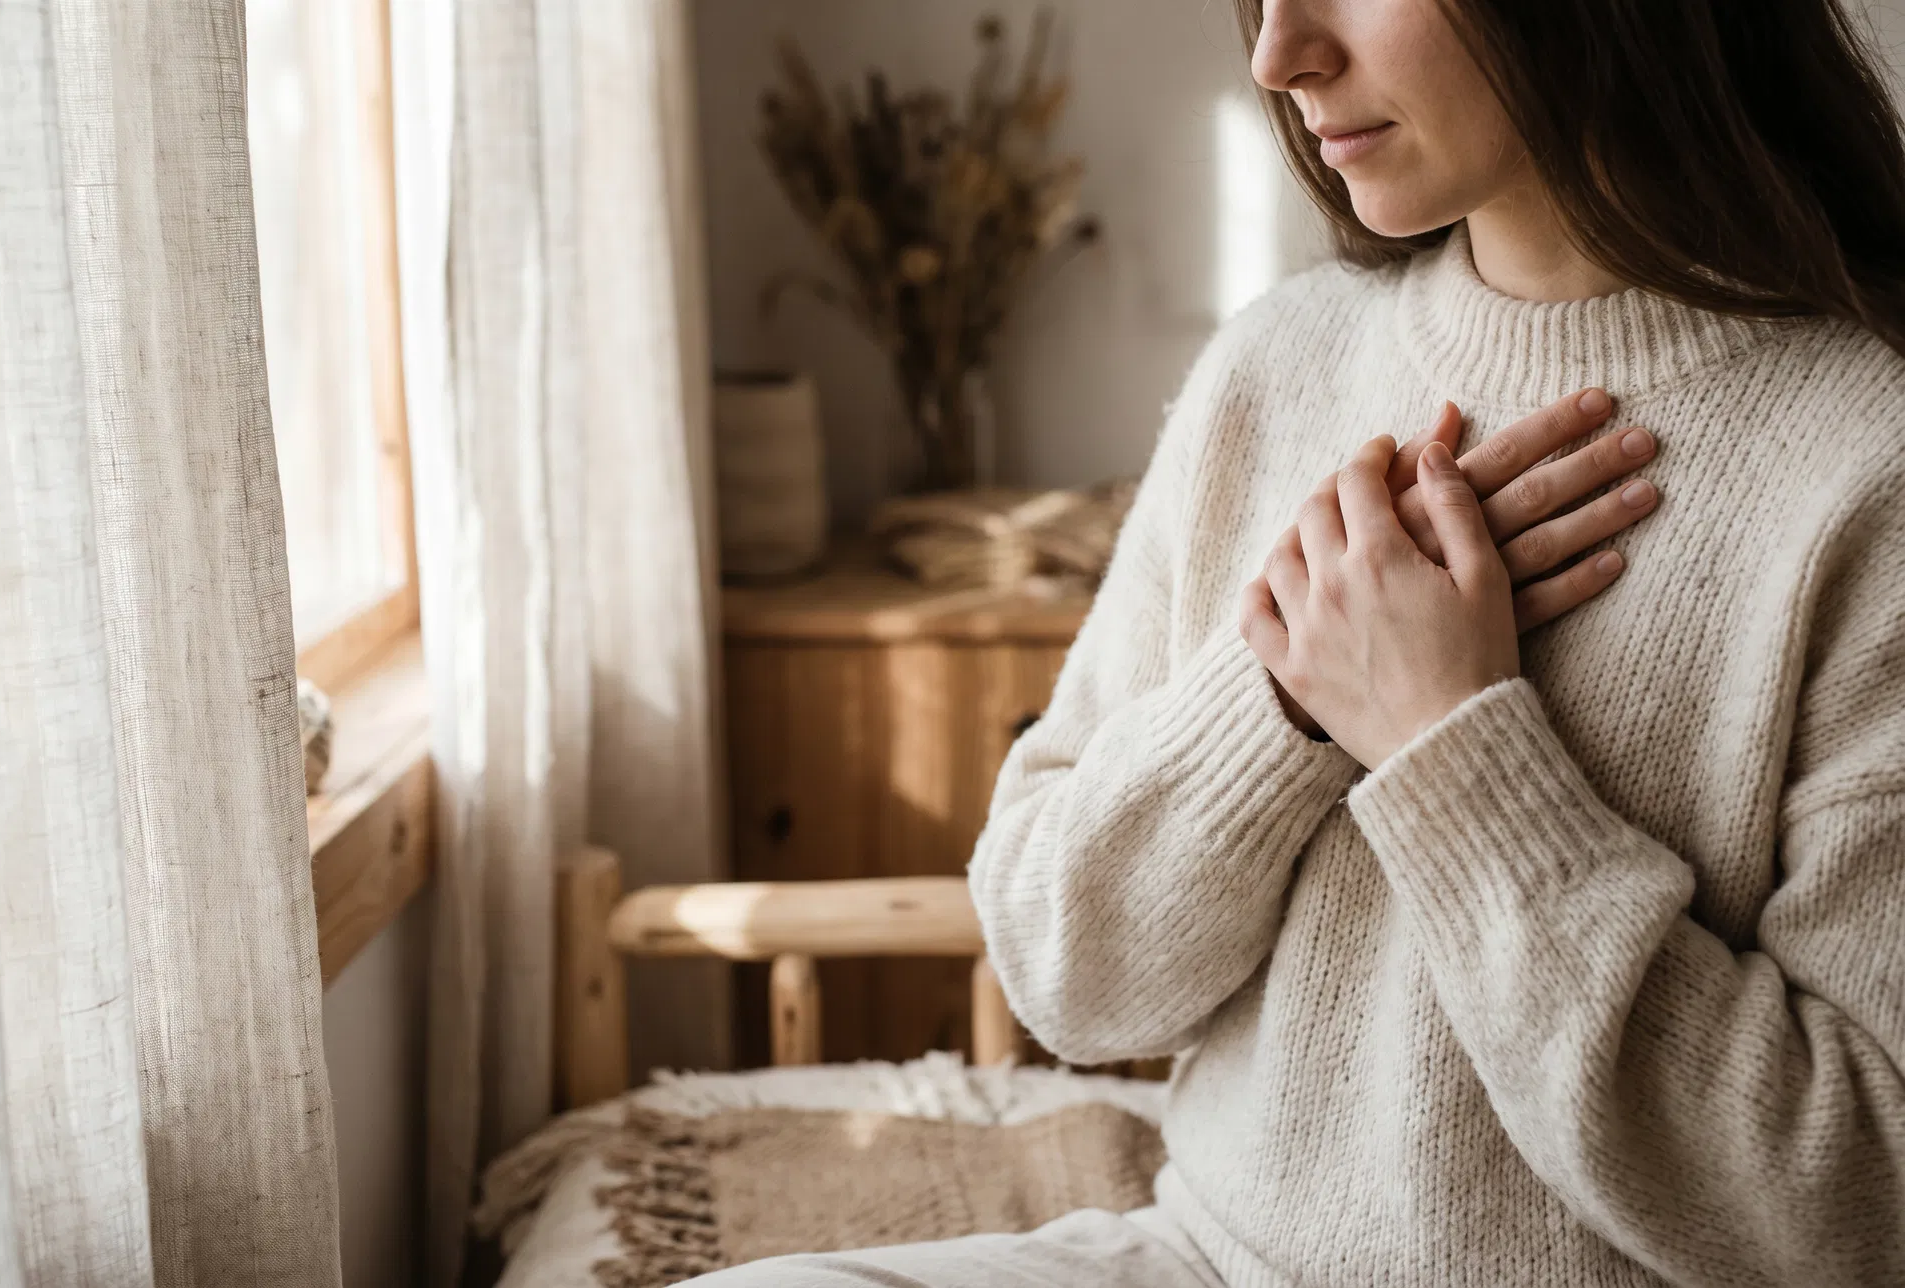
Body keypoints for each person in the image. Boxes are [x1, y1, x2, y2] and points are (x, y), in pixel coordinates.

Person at [687, 0, 1905, 1283]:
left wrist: (1452, 749)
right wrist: (1280, 693)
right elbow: (1067, 973)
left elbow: (1861, 1200)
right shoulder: (1276, 364)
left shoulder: (1867, 465)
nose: (1280, 56)